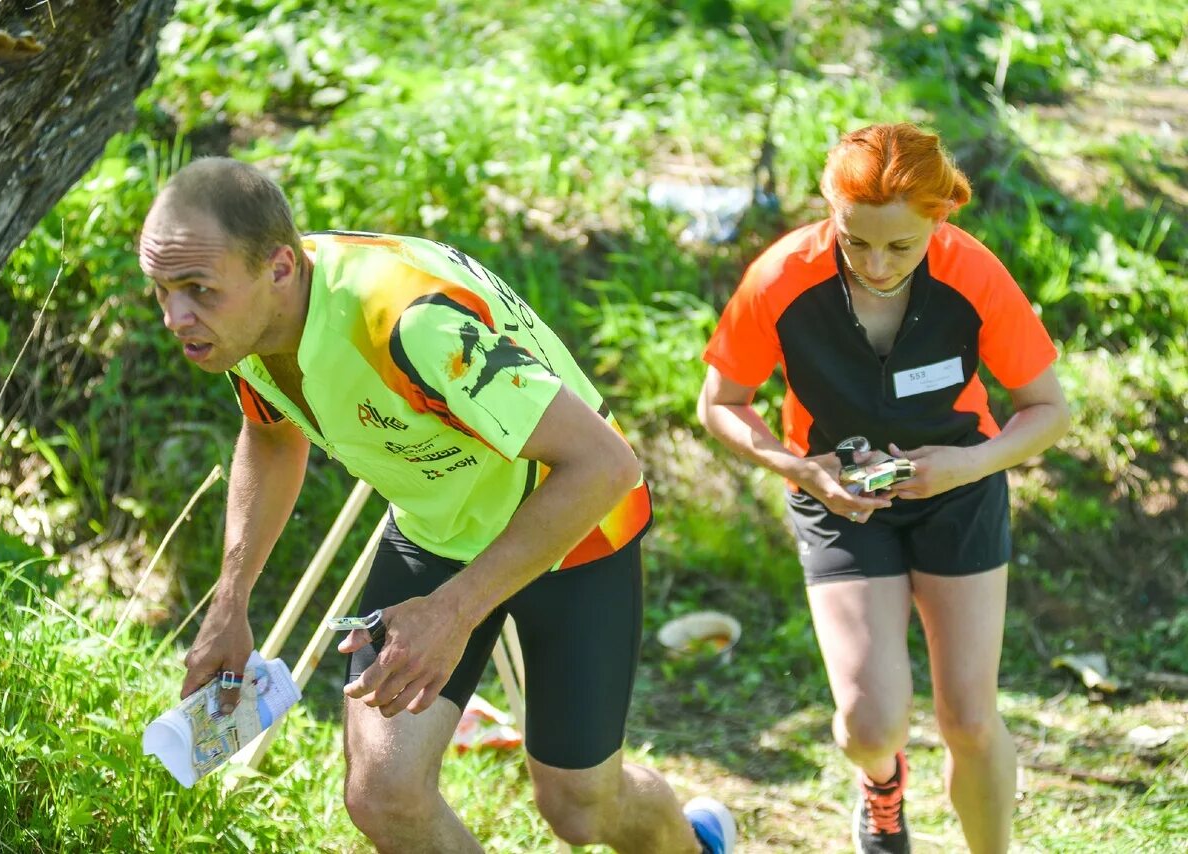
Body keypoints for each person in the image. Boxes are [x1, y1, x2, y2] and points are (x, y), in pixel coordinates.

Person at [137, 157, 736, 854]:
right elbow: (271, 440)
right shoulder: (241, 323)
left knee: (580, 808)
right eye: (162, 291)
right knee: (383, 795)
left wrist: (454, 611)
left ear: (277, 268)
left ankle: (697, 843)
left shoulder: (409, 322)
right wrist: (230, 603)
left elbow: (605, 464)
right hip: (436, 530)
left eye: (196, 291)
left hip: (575, 531)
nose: (176, 317)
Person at [698, 123, 1069, 854]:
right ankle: (882, 788)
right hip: (836, 500)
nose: (875, 263)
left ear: (939, 219)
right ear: (831, 211)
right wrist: (801, 470)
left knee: (969, 717)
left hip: (960, 489)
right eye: (855, 240)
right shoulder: (780, 277)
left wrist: (969, 464)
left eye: (900, 246)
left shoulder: (974, 275)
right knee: (870, 724)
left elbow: (1049, 411)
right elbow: (718, 403)